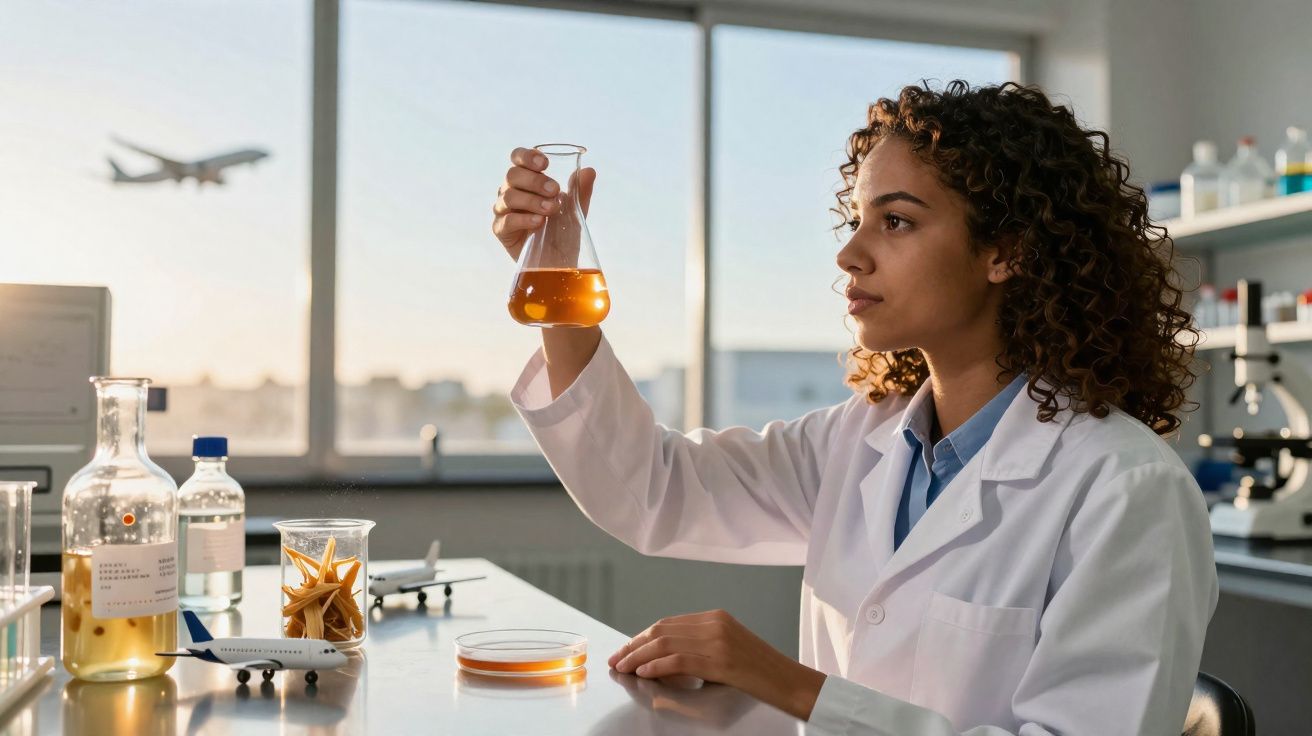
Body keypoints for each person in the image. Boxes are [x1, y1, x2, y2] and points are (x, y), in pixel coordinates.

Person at [490, 80, 1218, 734]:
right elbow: (653, 488)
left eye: (896, 222)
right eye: (857, 221)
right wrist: (558, 277)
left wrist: (790, 685)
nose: (850, 255)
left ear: (1007, 252)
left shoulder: (1126, 489)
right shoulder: (859, 439)